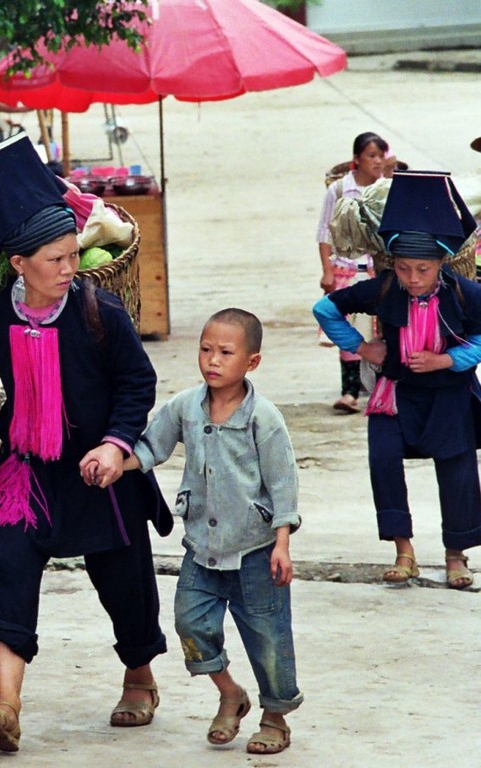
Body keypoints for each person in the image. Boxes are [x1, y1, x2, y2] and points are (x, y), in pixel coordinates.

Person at [0, 132, 173, 753]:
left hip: (99, 470)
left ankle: (139, 678)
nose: (70, 268)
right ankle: (7, 707)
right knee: (11, 572)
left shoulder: (100, 313)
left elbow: (137, 385)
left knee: (123, 579)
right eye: (56, 259)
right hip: (27, 471)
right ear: (19, 264)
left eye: (74, 255)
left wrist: (114, 445)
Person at [125, 308, 302, 755]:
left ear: (251, 362)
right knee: (190, 623)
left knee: (268, 637)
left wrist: (282, 543)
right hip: (200, 549)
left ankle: (275, 718)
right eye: (206, 349)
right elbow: (151, 447)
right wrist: (114, 463)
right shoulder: (185, 406)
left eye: (226, 352)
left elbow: (283, 483)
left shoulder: (264, 417)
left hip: (257, 552)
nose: (213, 360)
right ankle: (229, 692)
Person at [313, 170, 481, 589]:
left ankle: (456, 555)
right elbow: (325, 309)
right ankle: (403, 551)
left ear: (440, 264)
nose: (412, 278)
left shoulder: (465, 294)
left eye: (422, 269)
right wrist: (363, 347)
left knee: (457, 466)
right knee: (384, 460)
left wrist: (447, 360)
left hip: (449, 394)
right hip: (395, 393)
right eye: (404, 268)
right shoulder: (385, 289)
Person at [317, 132, 389, 413]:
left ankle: (378, 387)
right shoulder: (339, 190)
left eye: (381, 156)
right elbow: (324, 230)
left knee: (381, 329)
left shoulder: (386, 190)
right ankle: (349, 392)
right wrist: (327, 271)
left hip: (378, 268)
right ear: (356, 160)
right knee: (346, 326)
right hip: (346, 267)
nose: (377, 161)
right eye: (372, 156)